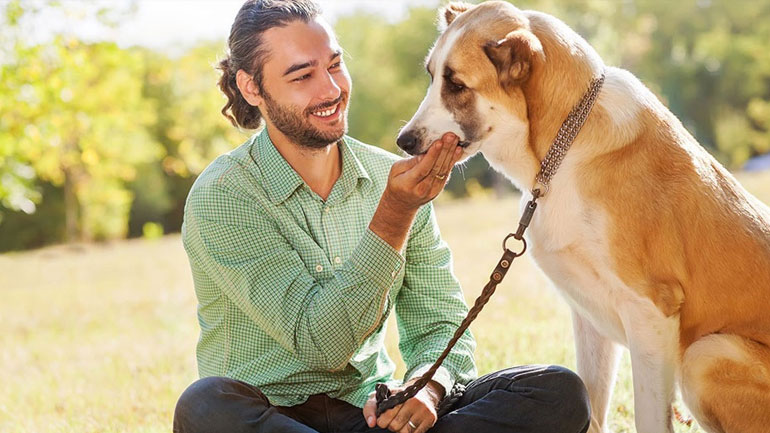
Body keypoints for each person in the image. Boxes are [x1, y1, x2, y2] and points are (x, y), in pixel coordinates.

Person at [173, 1, 591, 432]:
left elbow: (440, 323)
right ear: (252, 88)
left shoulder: (386, 176)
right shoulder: (224, 195)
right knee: (205, 406)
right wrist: (393, 215)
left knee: (555, 392)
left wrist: (426, 387)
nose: (330, 90)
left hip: (373, 419)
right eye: (302, 76)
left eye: (335, 65)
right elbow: (321, 345)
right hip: (276, 418)